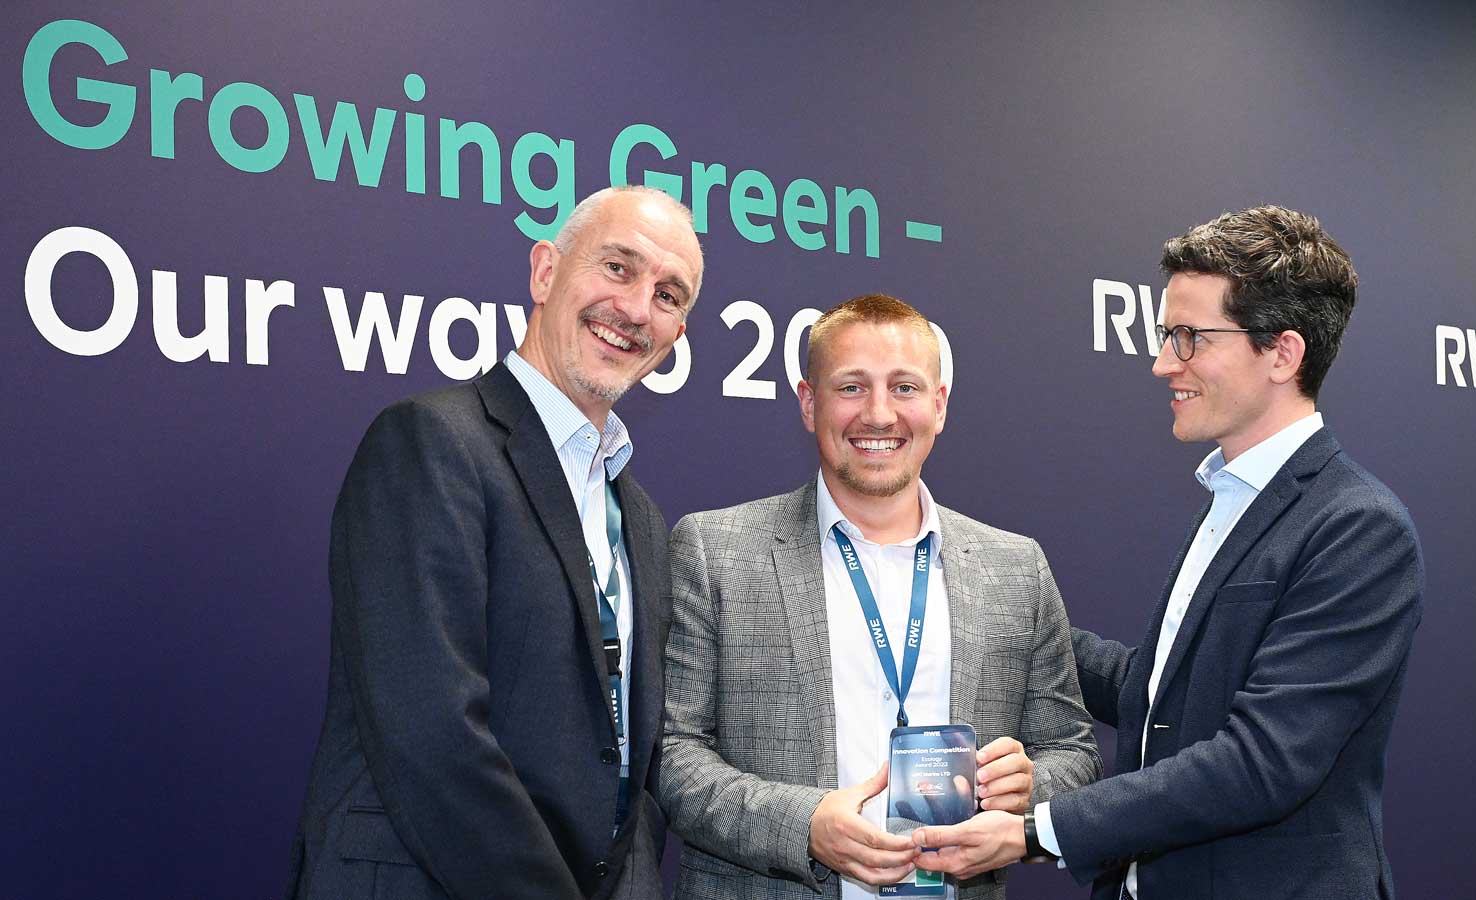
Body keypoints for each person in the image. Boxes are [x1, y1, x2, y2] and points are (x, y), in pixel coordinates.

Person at [911, 206, 1425, 900]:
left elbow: (1261, 762)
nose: (1162, 364)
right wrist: (1021, 619)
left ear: (1282, 352)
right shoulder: (1232, 498)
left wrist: (1035, 830)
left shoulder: (1359, 528)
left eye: (1189, 339)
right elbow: (1162, 697)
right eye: (1165, 336)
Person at [285, 185, 703, 900]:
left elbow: (632, 767)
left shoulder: (641, 519)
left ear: (676, 337)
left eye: (669, 295)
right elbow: (432, 737)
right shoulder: (431, 445)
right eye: (618, 268)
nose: (637, 308)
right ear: (545, 272)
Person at [659, 294, 1101, 900]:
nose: (879, 413)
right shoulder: (715, 549)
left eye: (904, 387)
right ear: (809, 403)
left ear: (939, 405)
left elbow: (1071, 752)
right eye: (851, 387)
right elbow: (674, 757)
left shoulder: (1016, 567)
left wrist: (1030, 787)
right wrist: (804, 825)